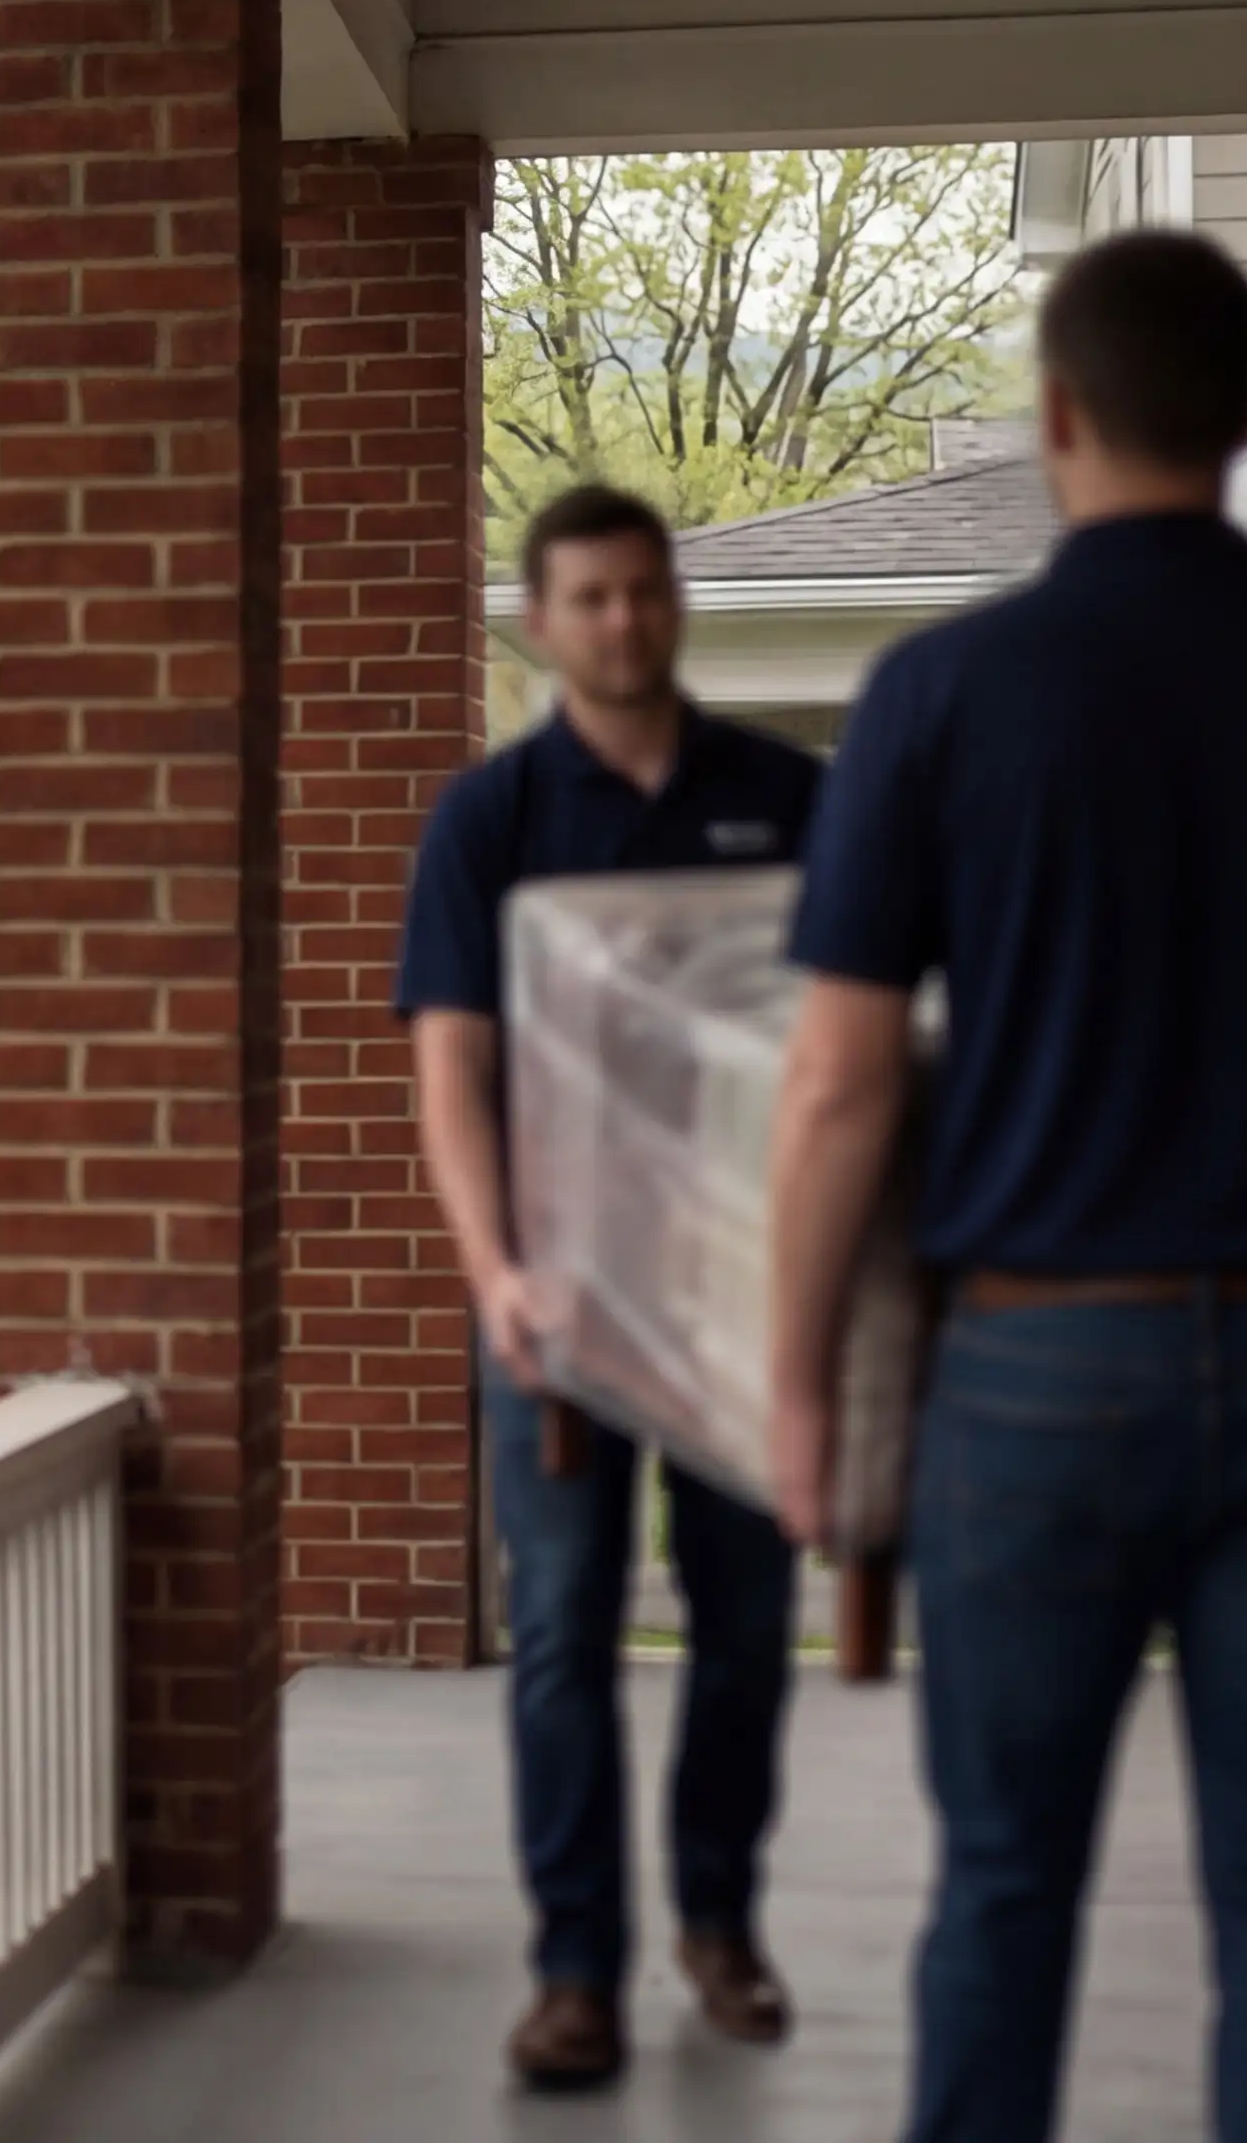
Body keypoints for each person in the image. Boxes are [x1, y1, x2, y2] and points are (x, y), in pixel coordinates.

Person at [761, 230, 1247, 2143]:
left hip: (1030, 1385)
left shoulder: (936, 697)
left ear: (1060, 414)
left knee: (1006, 1894)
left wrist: (786, 1394)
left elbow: (841, 1090)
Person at [398, 481, 822, 2092]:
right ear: (538, 621)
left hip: (742, 1298)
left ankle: (718, 1922)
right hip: (558, 1306)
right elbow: (451, 1068)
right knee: (567, 1633)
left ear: (673, 604)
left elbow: (854, 1045)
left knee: (744, 1626)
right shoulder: (493, 820)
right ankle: (576, 1971)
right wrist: (492, 1270)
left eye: (645, 592)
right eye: (589, 599)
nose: (623, 622)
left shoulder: (789, 801)